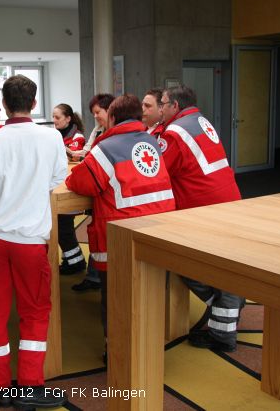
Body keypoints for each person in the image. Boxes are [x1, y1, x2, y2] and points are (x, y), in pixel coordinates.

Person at [0, 75, 68, 409]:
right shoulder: (52, 137)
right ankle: (29, 386)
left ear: (4, 104)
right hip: (29, 240)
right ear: (34, 104)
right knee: (35, 310)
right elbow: (56, 180)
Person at [66, 94, 175, 363]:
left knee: (115, 298)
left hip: (120, 236)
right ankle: (150, 344)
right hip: (160, 229)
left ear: (112, 118)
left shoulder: (107, 148)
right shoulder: (152, 141)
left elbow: (80, 183)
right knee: (150, 292)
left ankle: (116, 351)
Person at [157, 85, 244, 352]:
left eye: (162, 103)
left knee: (185, 263)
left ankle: (222, 334)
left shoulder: (173, 132)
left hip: (203, 209)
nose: (160, 109)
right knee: (228, 267)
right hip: (227, 202)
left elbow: (159, 172)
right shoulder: (200, 120)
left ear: (174, 106)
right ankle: (224, 315)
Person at [67, 94, 115, 292]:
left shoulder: (114, 137)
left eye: (98, 113)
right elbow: (87, 151)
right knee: (97, 234)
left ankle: (95, 275)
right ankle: (94, 275)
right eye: (93, 113)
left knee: (102, 236)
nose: (95, 117)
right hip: (99, 191)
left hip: (108, 195)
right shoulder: (99, 130)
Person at [52, 103, 87, 276]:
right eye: (53, 117)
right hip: (61, 186)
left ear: (68, 118)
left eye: (57, 117)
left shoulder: (77, 137)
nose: (54, 120)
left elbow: (74, 155)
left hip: (72, 188)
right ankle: (74, 260)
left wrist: (56, 145)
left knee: (63, 226)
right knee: (62, 226)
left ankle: (76, 262)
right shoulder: (56, 135)